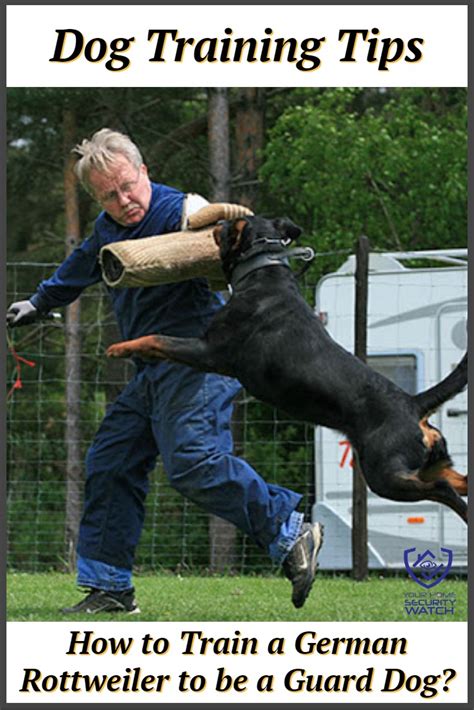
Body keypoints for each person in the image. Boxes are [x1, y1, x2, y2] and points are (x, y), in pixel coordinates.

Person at [7, 128, 323, 614]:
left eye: (128, 185)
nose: (124, 199)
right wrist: (37, 302)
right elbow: (79, 265)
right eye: (109, 195)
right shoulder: (107, 229)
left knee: (194, 463)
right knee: (110, 462)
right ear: (97, 197)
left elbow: (236, 239)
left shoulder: (182, 211)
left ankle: (288, 526)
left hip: (199, 361)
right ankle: (110, 587)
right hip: (151, 368)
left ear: (144, 171)